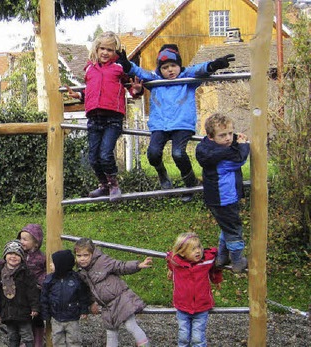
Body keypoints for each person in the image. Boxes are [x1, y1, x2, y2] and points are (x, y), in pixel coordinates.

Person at [124, 44, 235, 201]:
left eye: (173, 66)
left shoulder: (187, 77)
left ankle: (190, 184)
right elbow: (138, 72)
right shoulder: (154, 79)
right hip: (160, 125)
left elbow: (201, 69)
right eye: (165, 67)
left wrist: (215, 64)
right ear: (159, 70)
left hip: (182, 124)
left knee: (178, 153)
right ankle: (162, 174)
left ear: (179, 66)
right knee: (153, 153)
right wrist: (126, 64)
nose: (170, 70)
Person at [66, 31, 143, 201]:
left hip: (112, 117)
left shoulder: (119, 68)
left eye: (110, 49)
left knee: (105, 154)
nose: (105, 53)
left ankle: (114, 185)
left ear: (115, 51)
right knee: (93, 158)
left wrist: (136, 91)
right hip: (94, 118)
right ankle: (103, 185)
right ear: (96, 49)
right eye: (102, 48)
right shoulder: (90, 69)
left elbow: (130, 87)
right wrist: (79, 96)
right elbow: (91, 91)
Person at [195, 113, 250, 272]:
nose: (228, 138)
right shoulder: (223, 155)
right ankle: (237, 261)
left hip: (215, 198)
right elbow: (240, 158)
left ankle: (221, 257)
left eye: (230, 134)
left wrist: (235, 140)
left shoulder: (206, 147)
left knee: (226, 227)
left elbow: (230, 148)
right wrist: (244, 144)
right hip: (225, 198)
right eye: (223, 135)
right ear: (211, 136)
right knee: (234, 228)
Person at [74, 237, 152, 347]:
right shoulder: (82, 272)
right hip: (107, 306)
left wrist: (138, 265)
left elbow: (120, 266)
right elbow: (89, 290)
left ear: (93, 253)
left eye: (86, 255)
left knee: (131, 325)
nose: (82, 259)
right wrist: (92, 302)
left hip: (121, 299)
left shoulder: (103, 261)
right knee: (111, 333)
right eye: (79, 256)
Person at [166, 232, 223, 347]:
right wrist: (171, 269)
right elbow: (170, 259)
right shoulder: (176, 262)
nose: (198, 251)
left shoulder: (206, 261)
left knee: (198, 338)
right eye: (193, 249)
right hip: (182, 306)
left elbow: (216, 268)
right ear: (182, 252)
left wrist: (216, 280)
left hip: (201, 306)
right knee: (183, 337)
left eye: (199, 247)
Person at [0, 240, 40, 347]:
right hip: (7, 310)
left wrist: (35, 307)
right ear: (5, 256)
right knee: (12, 335)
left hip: (24, 310)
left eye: (17, 254)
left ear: (22, 257)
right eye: (10, 254)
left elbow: (33, 292)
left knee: (27, 334)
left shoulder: (26, 273)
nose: (13, 256)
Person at [40, 250, 92, 347]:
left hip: (72, 317)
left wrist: (84, 310)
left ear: (61, 265)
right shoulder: (50, 279)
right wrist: (45, 314)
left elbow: (83, 296)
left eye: (53, 263)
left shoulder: (76, 279)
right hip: (56, 318)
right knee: (57, 340)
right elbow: (44, 298)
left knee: (74, 341)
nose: (50, 265)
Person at [17, 224, 46, 346]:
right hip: (22, 291)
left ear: (35, 243)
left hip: (36, 291)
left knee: (37, 317)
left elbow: (46, 271)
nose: (21, 241)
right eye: (20, 238)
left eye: (25, 239)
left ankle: (38, 341)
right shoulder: (19, 254)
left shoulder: (40, 257)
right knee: (24, 317)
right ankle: (26, 340)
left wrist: (40, 282)